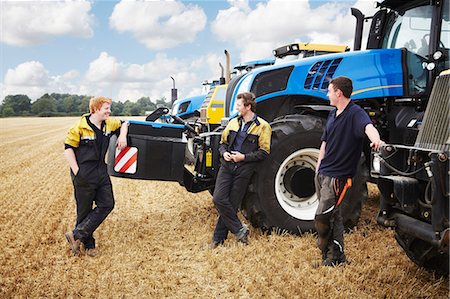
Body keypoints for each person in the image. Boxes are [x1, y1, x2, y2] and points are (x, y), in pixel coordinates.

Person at [315, 76, 382, 266]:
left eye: (329, 91)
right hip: (323, 172)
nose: (327, 94)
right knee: (333, 215)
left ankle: (328, 250)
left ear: (339, 92)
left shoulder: (355, 113)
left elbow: (369, 127)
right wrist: (318, 166)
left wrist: (375, 140)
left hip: (338, 176)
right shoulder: (333, 113)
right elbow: (325, 142)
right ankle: (334, 257)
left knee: (322, 217)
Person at [64, 96, 128, 257]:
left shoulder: (109, 124)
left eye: (109, 108)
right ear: (95, 109)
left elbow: (125, 123)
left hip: (101, 170)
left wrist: (122, 135)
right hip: (84, 173)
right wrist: (77, 171)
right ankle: (88, 246)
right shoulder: (79, 127)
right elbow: (68, 149)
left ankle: (76, 235)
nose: (109, 111)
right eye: (106, 108)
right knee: (84, 211)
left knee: (107, 204)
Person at [210, 92, 272, 248]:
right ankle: (239, 229)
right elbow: (223, 144)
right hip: (227, 166)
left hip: (244, 170)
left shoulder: (263, 127)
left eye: (239, 105)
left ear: (248, 106)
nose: (236, 108)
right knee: (218, 198)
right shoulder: (232, 123)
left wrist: (243, 157)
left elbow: (264, 152)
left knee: (231, 203)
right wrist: (224, 153)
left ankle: (218, 239)